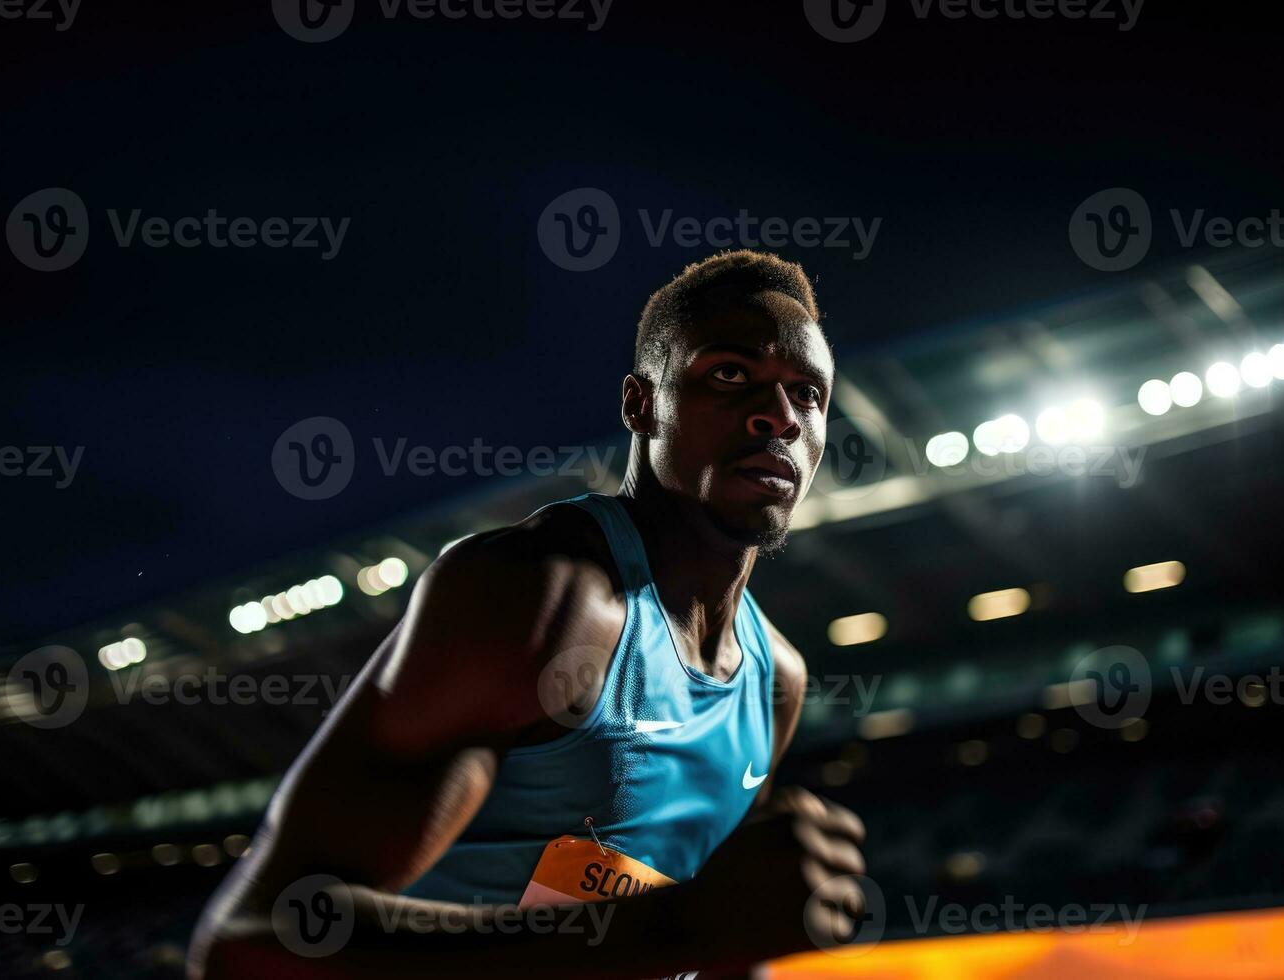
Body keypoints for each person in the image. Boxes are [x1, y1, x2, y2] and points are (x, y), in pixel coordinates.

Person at [189, 250, 868, 979]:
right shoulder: (539, 601)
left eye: (808, 394)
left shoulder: (776, 683)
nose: (780, 416)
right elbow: (252, 941)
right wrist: (670, 928)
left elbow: (715, 937)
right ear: (641, 404)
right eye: (730, 375)